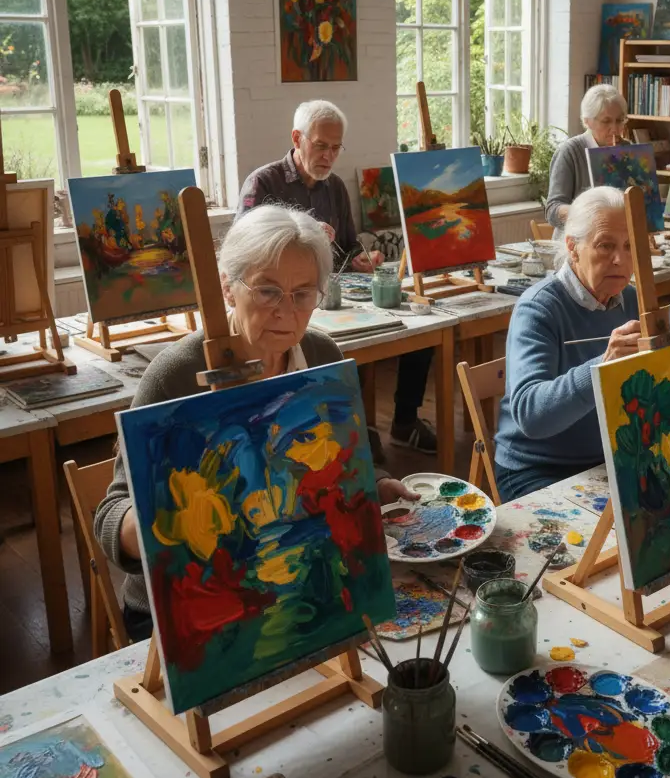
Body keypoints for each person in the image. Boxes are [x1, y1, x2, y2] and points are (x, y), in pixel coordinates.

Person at [95, 205, 415, 642]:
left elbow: (341, 463)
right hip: (188, 608)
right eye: (268, 291)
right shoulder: (177, 373)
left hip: (298, 581)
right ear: (228, 288)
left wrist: (371, 485)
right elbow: (111, 517)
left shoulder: (323, 357)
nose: (286, 311)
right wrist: (168, 522)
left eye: (303, 294)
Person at [236, 99, 436, 455]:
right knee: (342, 350)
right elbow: (245, 258)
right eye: (321, 145)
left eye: (336, 148)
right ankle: (352, 433)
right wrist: (305, 238)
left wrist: (360, 257)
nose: (329, 156)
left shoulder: (335, 187)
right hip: (286, 303)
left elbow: (344, 250)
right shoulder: (263, 183)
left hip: (330, 297)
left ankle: (402, 421)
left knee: (418, 330)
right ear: (297, 138)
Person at [494, 187, 640, 500]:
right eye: (606, 246)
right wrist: (602, 365)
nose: (620, 259)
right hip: (538, 469)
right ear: (573, 248)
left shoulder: (631, 300)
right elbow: (531, 416)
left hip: (610, 460)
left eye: (629, 246)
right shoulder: (538, 308)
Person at [544, 84, 630, 232]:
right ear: (587, 121)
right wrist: (588, 213)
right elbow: (552, 210)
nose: (615, 129)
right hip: (578, 243)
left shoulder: (628, 150)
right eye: (606, 121)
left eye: (620, 120)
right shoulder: (570, 151)